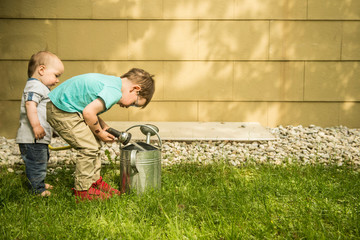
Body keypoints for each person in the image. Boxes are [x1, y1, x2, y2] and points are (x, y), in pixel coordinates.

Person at [46, 69, 155, 201]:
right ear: (135, 89)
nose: (130, 106)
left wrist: (104, 127)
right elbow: (88, 113)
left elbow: (91, 110)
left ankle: (94, 181)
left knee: (95, 144)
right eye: (134, 103)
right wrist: (100, 132)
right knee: (88, 147)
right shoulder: (114, 92)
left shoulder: (112, 83)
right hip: (61, 111)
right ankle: (82, 191)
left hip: (68, 108)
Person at [16, 51, 64, 197]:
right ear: (41, 70)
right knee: (36, 163)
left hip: (38, 138)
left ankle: (39, 182)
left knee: (41, 160)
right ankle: (37, 189)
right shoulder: (35, 86)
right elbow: (31, 105)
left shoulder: (40, 87)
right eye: (56, 75)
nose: (57, 81)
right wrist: (36, 126)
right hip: (32, 138)